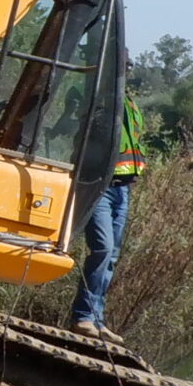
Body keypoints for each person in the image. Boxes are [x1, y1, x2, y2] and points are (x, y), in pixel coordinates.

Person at [68, 94, 146, 337]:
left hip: (122, 188)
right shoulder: (100, 98)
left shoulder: (129, 102)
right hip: (99, 185)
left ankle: (96, 320)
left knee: (111, 255)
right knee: (102, 248)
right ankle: (83, 317)